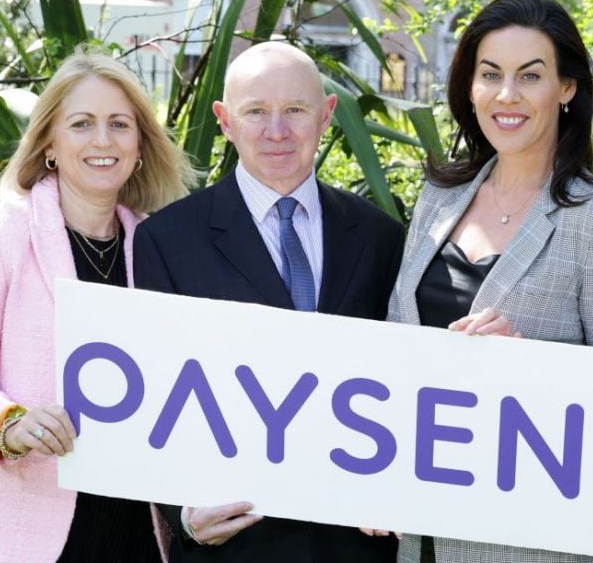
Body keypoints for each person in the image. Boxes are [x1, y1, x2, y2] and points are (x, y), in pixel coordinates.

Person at [386, 0, 593, 563]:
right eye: (490, 74)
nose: (506, 95)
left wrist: (529, 363)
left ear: (567, 88)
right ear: (470, 86)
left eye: (530, 76)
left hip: (531, 546)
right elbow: (396, 352)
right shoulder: (440, 196)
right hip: (422, 536)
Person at [132, 41, 403, 562]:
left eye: (295, 111)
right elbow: (153, 399)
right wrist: (183, 514)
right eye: (255, 112)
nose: (276, 131)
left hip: (355, 546)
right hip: (236, 544)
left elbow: (404, 381)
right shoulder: (168, 241)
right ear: (225, 121)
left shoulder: (380, 237)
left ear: (326, 116)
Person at [0, 49, 196, 562]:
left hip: (137, 532)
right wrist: (9, 422)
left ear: (139, 143)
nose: (103, 140)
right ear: (50, 142)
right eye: (82, 124)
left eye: (120, 124)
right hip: (20, 530)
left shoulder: (160, 247)